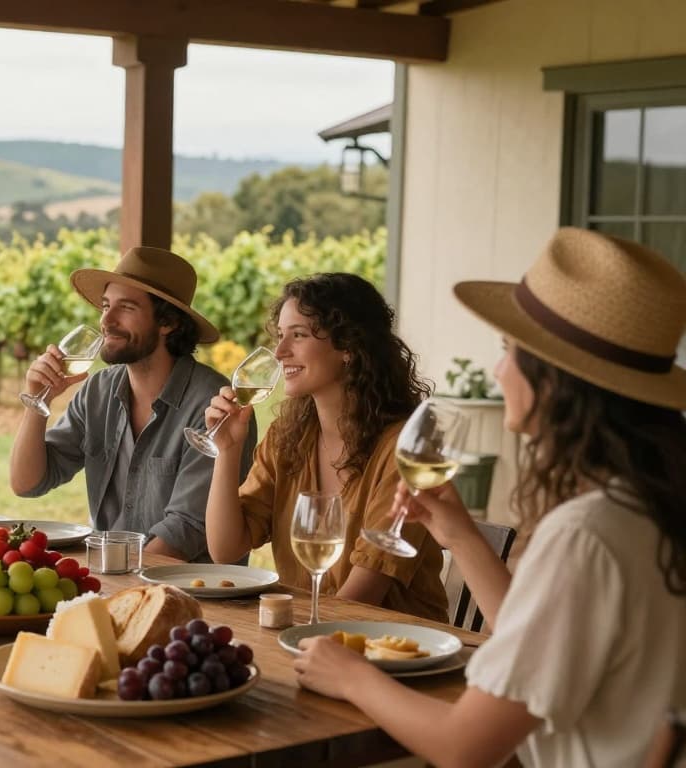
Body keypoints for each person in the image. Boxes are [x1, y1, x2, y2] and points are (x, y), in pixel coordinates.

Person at [293, 228, 686, 767]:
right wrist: (457, 532)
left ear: (556, 379)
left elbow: (464, 747)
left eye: (508, 351)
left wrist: (354, 676)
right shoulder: (645, 509)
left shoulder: (584, 535)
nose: (499, 372)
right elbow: (537, 639)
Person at [203, 272, 448, 621]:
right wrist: (227, 451)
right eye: (280, 336)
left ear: (349, 346)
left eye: (298, 335)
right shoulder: (288, 438)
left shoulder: (406, 450)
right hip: (311, 633)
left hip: (398, 650)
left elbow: (362, 599)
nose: (280, 352)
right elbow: (225, 549)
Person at [9, 246, 256, 562]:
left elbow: (184, 532)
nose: (106, 320)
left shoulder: (215, 407)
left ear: (168, 322)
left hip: (190, 594)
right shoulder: (98, 390)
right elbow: (27, 483)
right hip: (117, 579)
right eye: (105, 306)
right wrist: (37, 402)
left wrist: (107, 581)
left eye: (125, 308)